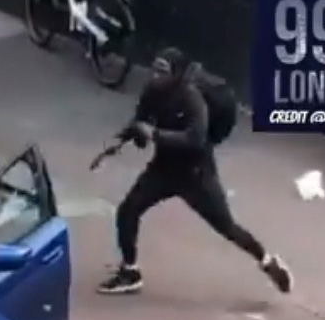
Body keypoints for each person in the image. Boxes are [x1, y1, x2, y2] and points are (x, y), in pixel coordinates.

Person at [97, 47, 294, 295]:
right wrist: (121, 139)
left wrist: (155, 134)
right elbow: (141, 120)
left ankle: (267, 262)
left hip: (196, 175)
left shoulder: (190, 98)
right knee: (127, 211)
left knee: (227, 226)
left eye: (163, 71)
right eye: (154, 68)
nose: (155, 75)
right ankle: (130, 271)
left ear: (176, 74)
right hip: (163, 169)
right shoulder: (151, 92)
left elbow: (196, 138)